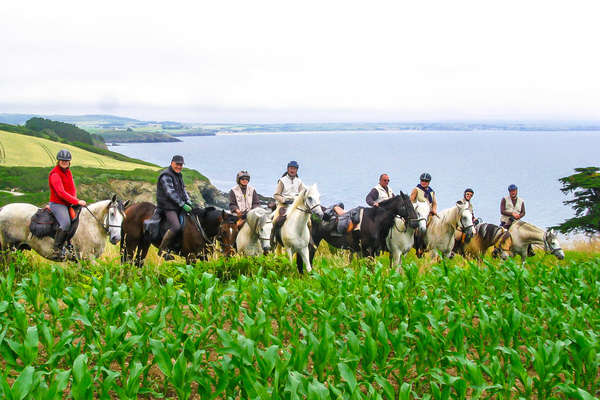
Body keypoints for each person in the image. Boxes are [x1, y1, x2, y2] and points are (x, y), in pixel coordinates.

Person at [48, 149, 87, 260]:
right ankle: (56, 249)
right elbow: (60, 192)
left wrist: (74, 200)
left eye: (66, 161)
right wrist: (76, 201)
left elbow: (72, 189)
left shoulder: (68, 172)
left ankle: (69, 243)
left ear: (69, 162)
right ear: (58, 161)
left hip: (68, 203)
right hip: (57, 204)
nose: (64, 162)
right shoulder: (55, 174)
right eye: (62, 160)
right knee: (65, 223)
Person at [156, 155, 193, 259]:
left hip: (177, 206)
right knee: (176, 226)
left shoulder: (179, 175)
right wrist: (182, 204)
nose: (179, 166)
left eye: (181, 165)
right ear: (172, 163)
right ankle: (162, 250)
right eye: (177, 164)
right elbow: (170, 193)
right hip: (167, 207)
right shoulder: (166, 175)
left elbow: (183, 190)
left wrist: (189, 201)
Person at [500, 184, 533, 256]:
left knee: (527, 231)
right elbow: (502, 211)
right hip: (506, 222)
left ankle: (530, 249)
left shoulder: (521, 201)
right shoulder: (504, 199)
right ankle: (497, 249)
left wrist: (519, 216)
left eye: (514, 191)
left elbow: (523, 212)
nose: (513, 192)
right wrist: (512, 214)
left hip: (516, 222)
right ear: (509, 192)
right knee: (501, 234)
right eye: (511, 191)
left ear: (516, 191)